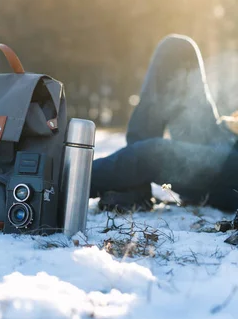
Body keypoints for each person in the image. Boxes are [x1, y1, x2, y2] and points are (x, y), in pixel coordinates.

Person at [90, 34, 238, 212]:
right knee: (177, 48)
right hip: (225, 137)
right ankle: (136, 188)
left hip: (229, 165)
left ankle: (66, 179)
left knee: (150, 154)